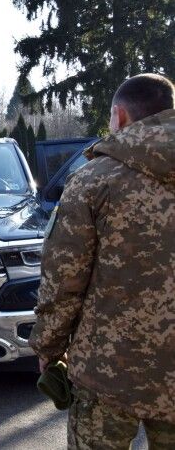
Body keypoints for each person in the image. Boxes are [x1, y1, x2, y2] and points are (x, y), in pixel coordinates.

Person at [30, 73, 175, 449]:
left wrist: (48, 347)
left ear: (120, 116)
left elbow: (64, 279)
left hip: (107, 374)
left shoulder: (94, 180)